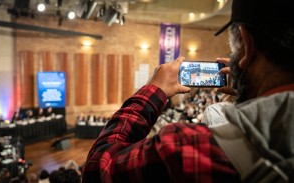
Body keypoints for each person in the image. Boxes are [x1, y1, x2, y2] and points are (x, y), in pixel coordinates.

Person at [82, 0, 294, 182]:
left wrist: (152, 91)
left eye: (234, 51)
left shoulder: (183, 148)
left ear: (247, 45)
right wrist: (253, 90)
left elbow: (98, 169)